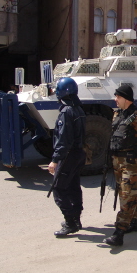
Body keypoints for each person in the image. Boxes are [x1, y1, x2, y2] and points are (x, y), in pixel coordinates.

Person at [103, 85, 137, 246]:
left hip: (132, 163)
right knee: (127, 193)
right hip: (118, 162)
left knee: (127, 196)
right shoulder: (117, 114)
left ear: (126, 98)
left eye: (117, 97)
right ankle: (134, 222)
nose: (115, 100)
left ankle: (119, 232)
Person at [48, 77, 87, 237]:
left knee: (58, 188)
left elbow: (63, 139)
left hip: (69, 155)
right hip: (78, 154)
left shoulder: (66, 112)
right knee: (73, 186)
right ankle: (76, 219)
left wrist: (55, 160)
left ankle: (70, 223)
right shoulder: (79, 109)